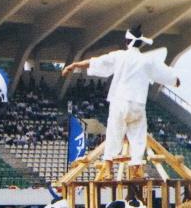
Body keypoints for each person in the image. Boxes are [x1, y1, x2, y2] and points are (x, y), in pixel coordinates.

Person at [62, 24, 181, 181]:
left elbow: (96, 62)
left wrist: (74, 65)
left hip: (120, 101)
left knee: (114, 133)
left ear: (126, 41)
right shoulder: (147, 60)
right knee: (138, 136)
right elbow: (169, 76)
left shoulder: (119, 56)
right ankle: (137, 168)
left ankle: (108, 168)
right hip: (138, 104)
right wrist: (176, 81)